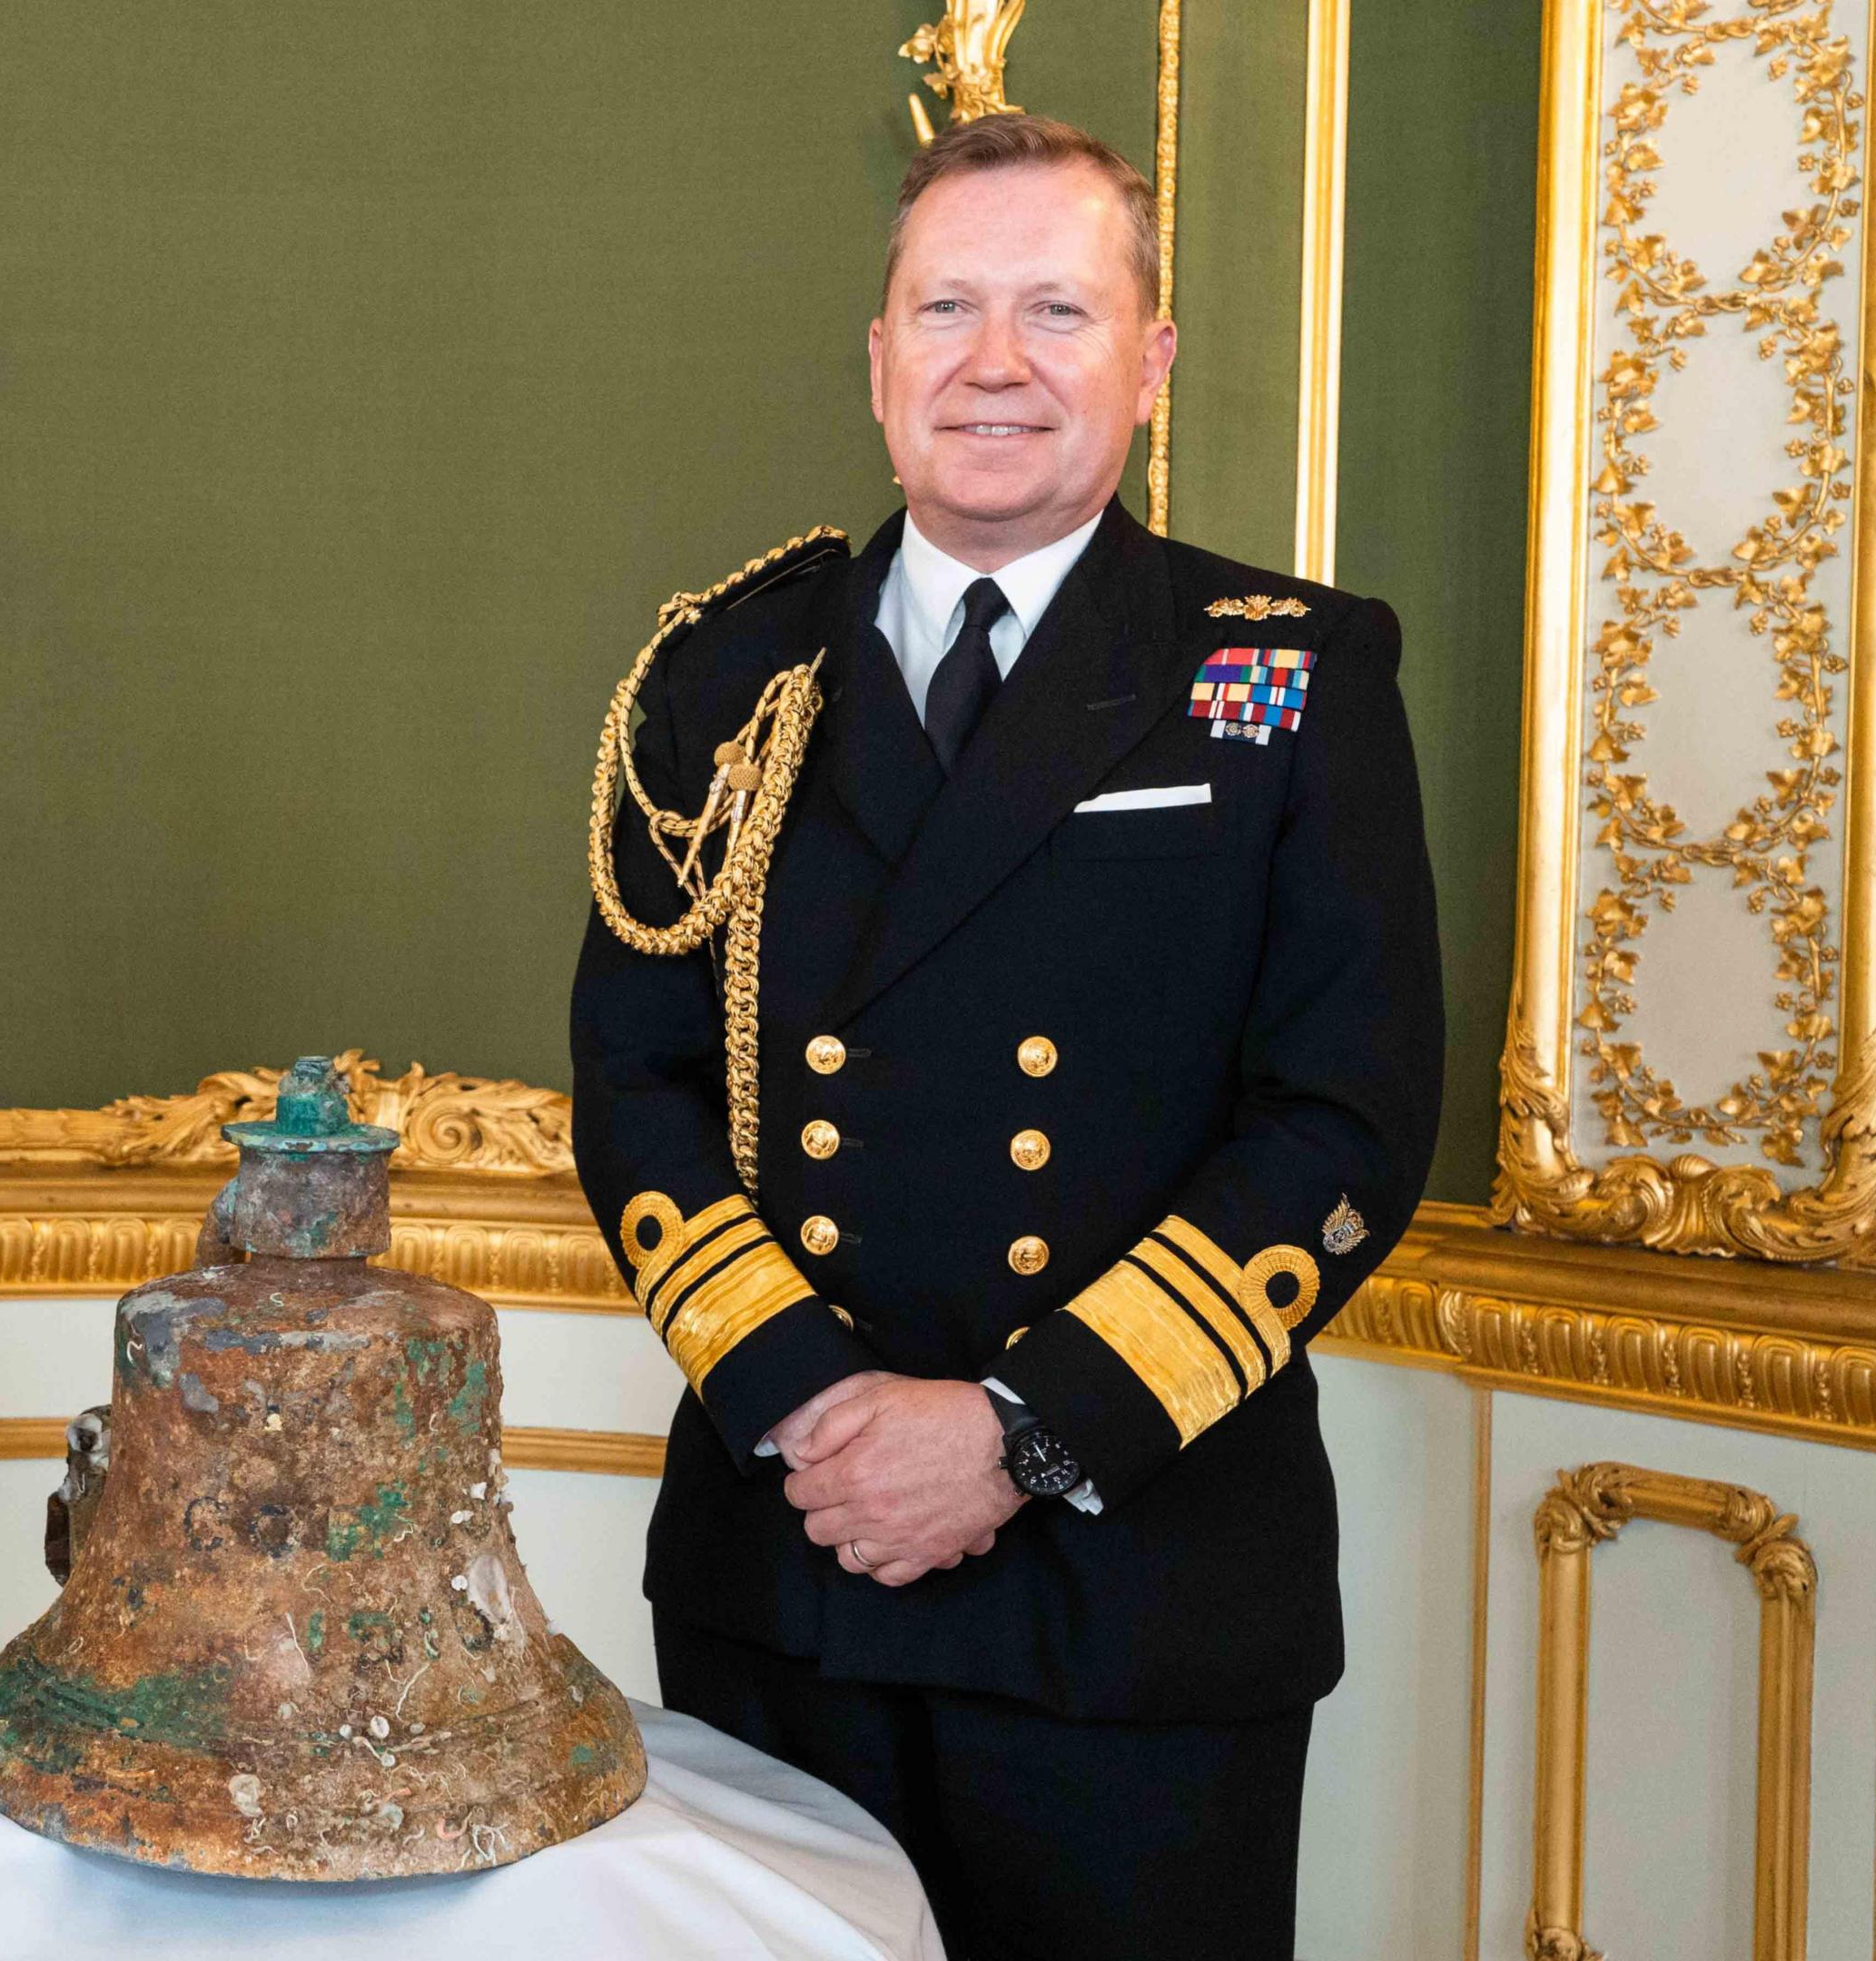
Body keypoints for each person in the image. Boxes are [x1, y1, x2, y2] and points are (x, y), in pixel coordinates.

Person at [571, 112, 1440, 1959]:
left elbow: (1345, 1122)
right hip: (785, 1556)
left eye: (1057, 308)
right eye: (946, 306)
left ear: (1149, 358)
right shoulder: (728, 674)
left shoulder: (1284, 675)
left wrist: (1015, 1438)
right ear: (879, 357)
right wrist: (813, 1405)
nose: (993, 361)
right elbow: (637, 1078)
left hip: (1138, 1581)